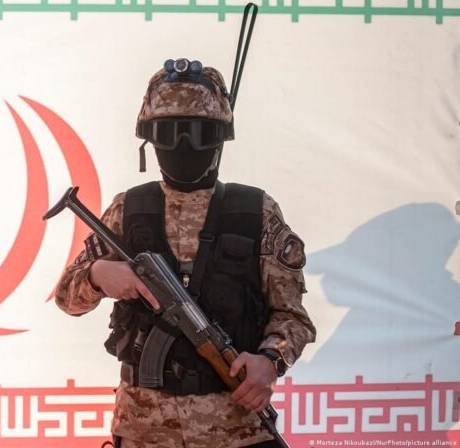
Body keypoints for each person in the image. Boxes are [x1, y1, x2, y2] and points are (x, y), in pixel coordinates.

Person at [52, 59, 316, 448]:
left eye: (198, 133)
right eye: (167, 133)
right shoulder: (128, 209)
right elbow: (66, 297)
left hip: (237, 431)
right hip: (144, 430)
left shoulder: (255, 211)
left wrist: (270, 361)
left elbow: (293, 318)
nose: (183, 145)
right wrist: (97, 276)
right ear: (149, 139)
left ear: (219, 138)